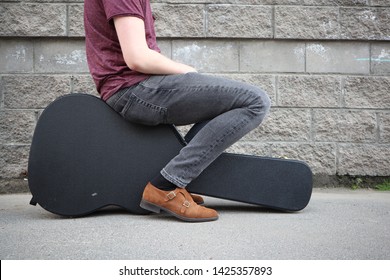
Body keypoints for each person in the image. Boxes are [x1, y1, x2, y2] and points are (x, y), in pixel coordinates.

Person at [84, 0, 271, 222]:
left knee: (225, 102)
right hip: (134, 89)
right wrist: (187, 72)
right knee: (255, 101)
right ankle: (167, 186)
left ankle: (177, 180)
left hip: (133, 87)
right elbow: (137, 57)